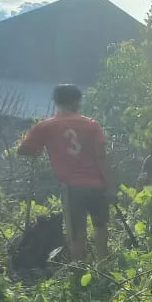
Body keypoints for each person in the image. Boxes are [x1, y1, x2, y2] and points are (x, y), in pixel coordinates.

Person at [18, 85, 112, 262]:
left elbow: (23, 150)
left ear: (55, 101)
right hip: (96, 184)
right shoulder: (92, 124)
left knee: (76, 233)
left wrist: (37, 145)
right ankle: (103, 264)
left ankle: (78, 267)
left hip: (71, 187)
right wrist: (109, 185)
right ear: (77, 101)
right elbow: (102, 156)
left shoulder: (45, 126)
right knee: (100, 226)